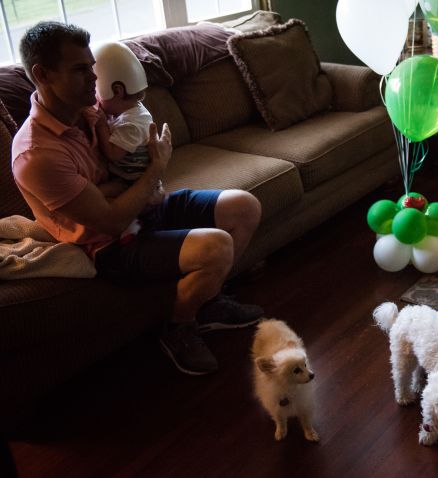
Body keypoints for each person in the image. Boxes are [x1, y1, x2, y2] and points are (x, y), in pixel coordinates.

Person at [11, 22, 264, 376]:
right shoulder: (37, 154)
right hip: (111, 245)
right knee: (217, 246)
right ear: (43, 75)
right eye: (80, 69)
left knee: (244, 206)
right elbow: (111, 220)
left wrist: (128, 184)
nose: (93, 78)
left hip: (143, 206)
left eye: (92, 67)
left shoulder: (87, 110)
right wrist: (156, 166)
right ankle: (179, 327)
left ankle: (208, 301)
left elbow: (126, 161)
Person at [91, 41, 164, 207]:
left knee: (96, 195)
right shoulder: (129, 110)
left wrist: (101, 123)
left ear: (117, 91)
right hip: (126, 178)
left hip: (134, 184)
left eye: (97, 93)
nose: (96, 101)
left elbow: (113, 154)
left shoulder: (132, 123)